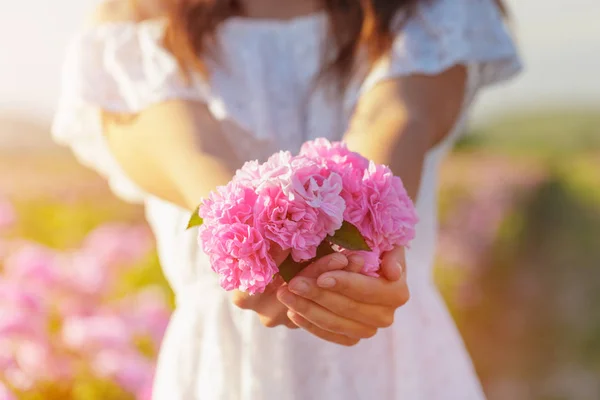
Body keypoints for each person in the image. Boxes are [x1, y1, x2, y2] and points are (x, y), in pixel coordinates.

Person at [52, 0, 521, 398]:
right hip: (227, 366)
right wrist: (253, 240)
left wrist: (362, 246)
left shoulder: (429, 10)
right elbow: (180, 147)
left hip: (395, 357)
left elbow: (396, 117)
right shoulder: (140, 12)